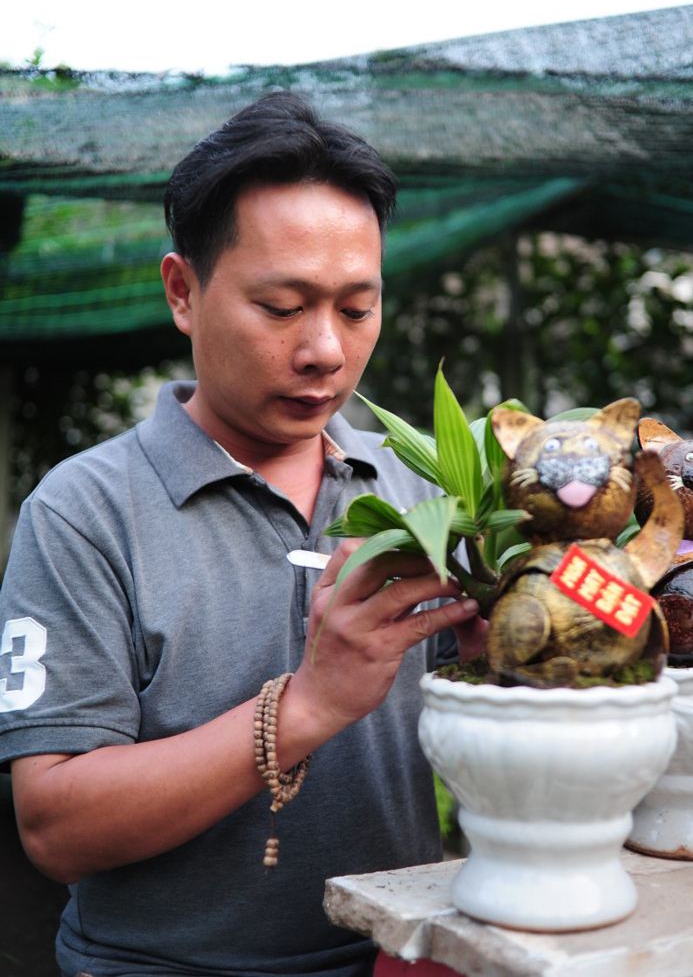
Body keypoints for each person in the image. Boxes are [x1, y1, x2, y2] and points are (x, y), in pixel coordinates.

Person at [0, 92, 485, 977]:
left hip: (401, 960)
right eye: (282, 306)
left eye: (356, 307)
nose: (325, 351)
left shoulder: (425, 487)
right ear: (183, 291)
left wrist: (517, 650)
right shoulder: (83, 513)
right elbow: (54, 825)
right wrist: (309, 705)